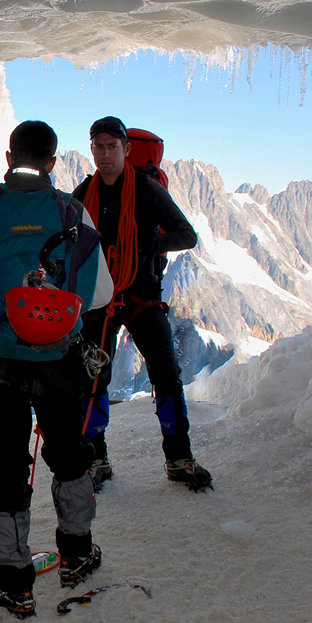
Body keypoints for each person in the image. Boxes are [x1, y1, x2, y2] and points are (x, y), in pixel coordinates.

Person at [0, 120, 114, 618]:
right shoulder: (73, 212)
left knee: (9, 465)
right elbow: (101, 295)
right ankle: (75, 552)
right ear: (52, 162)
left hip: (2, 361)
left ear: (8, 158)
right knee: (69, 455)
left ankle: (14, 581)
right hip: (58, 360)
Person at [71, 115, 211, 491]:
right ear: (92, 150)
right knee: (93, 377)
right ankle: (95, 456)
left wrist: (150, 245)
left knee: (165, 371)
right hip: (101, 299)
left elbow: (187, 235)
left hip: (141, 294)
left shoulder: (147, 190)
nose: (105, 154)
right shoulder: (84, 193)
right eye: (98, 147)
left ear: (126, 150)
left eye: (112, 146)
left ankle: (178, 456)